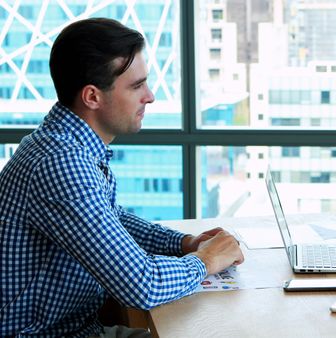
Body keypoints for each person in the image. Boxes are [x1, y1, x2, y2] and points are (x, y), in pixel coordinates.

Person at [0, 18, 244, 337]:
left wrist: (184, 243)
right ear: (92, 97)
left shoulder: (68, 145)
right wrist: (206, 260)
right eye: (136, 86)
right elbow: (142, 285)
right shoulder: (61, 164)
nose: (150, 96)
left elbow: (111, 220)